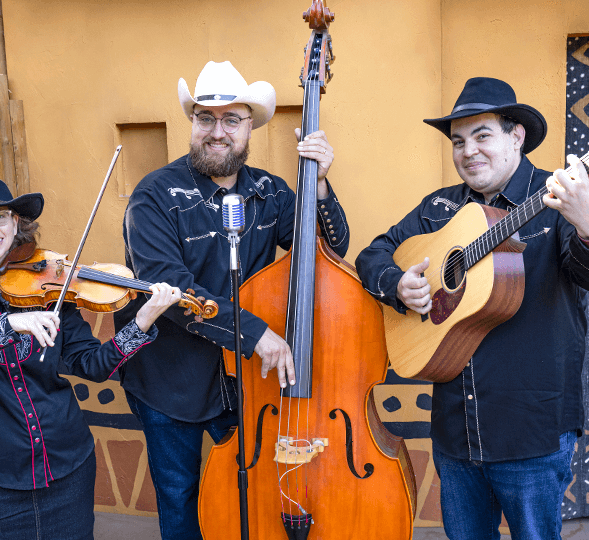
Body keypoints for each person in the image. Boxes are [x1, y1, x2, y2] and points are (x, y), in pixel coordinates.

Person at [116, 60, 349, 539]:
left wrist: (320, 185)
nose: (217, 131)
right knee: (180, 503)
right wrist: (259, 334)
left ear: (249, 129)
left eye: (231, 120)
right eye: (206, 118)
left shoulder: (270, 191)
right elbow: (174, 289)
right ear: (193, 124)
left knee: (251, 496)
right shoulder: (154, 196)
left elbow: (329, 251)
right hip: (169, 379)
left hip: (246, 386)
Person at [355, 77, 589, 539]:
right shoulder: (438, 208)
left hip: (532, 431)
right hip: (455, 429)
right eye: (459, 141)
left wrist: (586, 226)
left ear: (516, 136)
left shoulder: (558, 195)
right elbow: (374, 254)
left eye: (483, 135)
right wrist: (398, 283)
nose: (468, 151)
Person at [0, 170, 182, 540]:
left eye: (0, 217)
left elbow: (91, 366)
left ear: (16, 224)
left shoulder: (51, 289)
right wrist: (7, 326)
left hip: (68, 468)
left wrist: (141, 322)